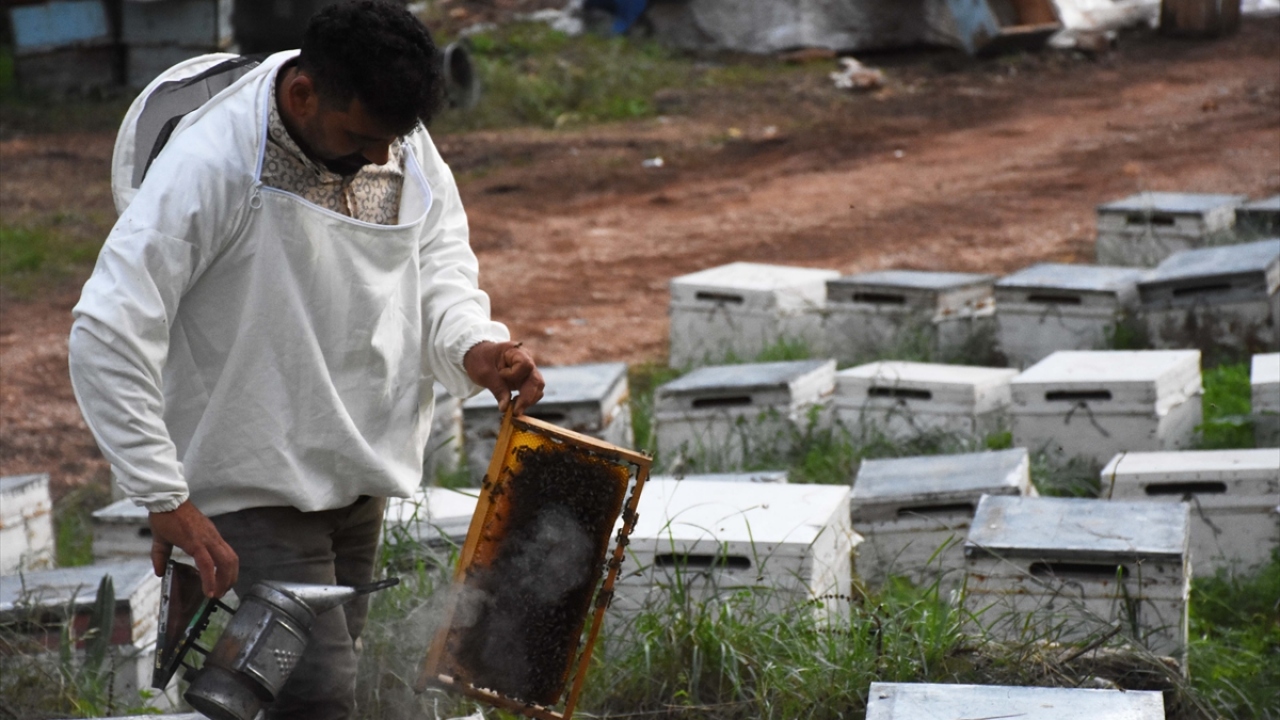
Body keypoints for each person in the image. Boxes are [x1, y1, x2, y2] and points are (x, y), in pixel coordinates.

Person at [67, 2, 543, 717]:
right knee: (318, 698)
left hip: (356, 470)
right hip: (250, 481)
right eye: (362, 136)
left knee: (288, 693)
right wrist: (164, 496)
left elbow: (439, 263)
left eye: (392, 139)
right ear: (301, 95)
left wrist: (476, 347)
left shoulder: (399, 144)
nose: (381, 156)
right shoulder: (212, 164)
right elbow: (108, 328)